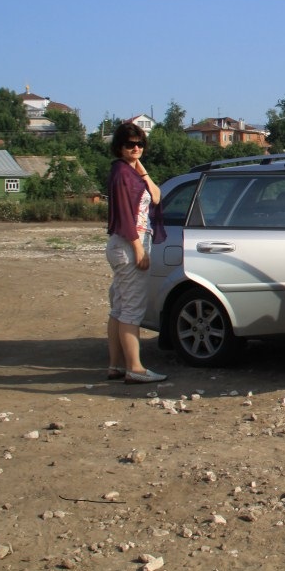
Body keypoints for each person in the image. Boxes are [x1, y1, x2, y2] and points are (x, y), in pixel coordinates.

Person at [105, 122, 168, 384]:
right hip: (129, 245)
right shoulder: (121, 174)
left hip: (127, 245)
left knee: (120, 308)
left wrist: (141, 169)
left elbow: (156, 196)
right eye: (130, 144)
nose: (136, 148)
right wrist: (138, 248)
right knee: (131, 310)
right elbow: (124, 216)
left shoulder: (130, 172)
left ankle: (116, 366)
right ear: (119, 146)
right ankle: (135, 368)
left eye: (140, 144)